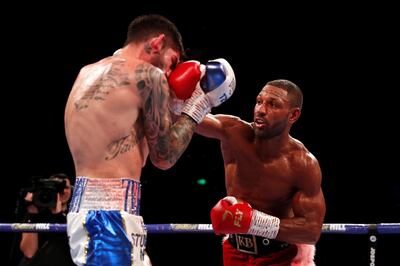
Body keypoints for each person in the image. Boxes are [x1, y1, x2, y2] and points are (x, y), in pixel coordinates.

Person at [64, 14, 235, 266]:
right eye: (173, 61)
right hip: (109, 218)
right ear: (157, 42)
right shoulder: (149, 76)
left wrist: (174, 106)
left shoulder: (87, 72)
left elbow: (135, 142)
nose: (169, 72)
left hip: (96, 211)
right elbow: (163, 157)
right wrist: (199, 105)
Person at [195, 79, 326, 265]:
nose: (261, 110)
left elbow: (312, 231)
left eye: (273, 104)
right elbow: (189, 119)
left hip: (279, 258)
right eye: (259, 101)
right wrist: (178, 93)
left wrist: (254, 222)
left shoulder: (302, 164)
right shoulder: (233, 133)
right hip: (234, 252)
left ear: (293, 115)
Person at [19, 173, 74, 266]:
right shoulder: (36, 213)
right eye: (56, 187)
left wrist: (58, 215)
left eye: (66, 187)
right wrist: (33, 216)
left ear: (71, 190)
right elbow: (29, 252)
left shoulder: (75, 215)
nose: (62, 191)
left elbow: (74, 248)